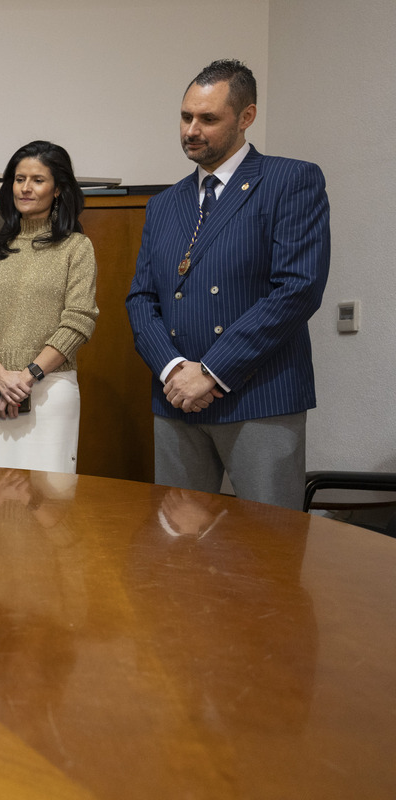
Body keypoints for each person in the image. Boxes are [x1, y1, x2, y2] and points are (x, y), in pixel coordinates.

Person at [126, 59, 330, 510]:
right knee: (180, 553)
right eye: (186, 117)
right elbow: (141, 299)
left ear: (246, 117)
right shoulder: (163, 204)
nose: (191, 130)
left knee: (269, 552)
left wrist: (212, 372)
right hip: (176, 399)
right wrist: (174, 370)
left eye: (208, 119)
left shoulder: (290, 180)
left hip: (260, 398)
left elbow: (297, 288)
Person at [0, 141, 99, 473]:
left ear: (58, 190)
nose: (25, 188)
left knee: (49, 504)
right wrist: (0, 376)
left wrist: (26, 377)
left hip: (50, 388)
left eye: (37, 180)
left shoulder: (77, 248)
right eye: (19, 179)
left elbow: (78, 322)